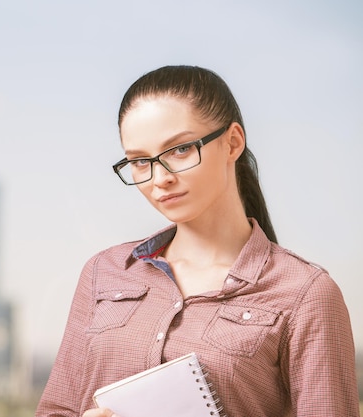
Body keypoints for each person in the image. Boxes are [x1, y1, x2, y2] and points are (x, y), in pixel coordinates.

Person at [35, 65, 360, 417]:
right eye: (140, 162)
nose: (160, 179)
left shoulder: (306, 294)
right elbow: (57, 409)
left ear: (233, 142)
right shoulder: (105, 272)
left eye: (180, 150)